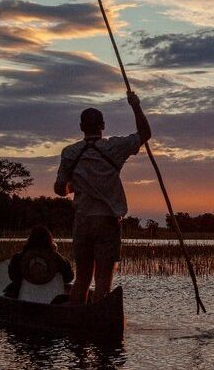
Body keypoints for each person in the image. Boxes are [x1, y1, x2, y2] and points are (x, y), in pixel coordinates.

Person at [54, 92, 151, 305]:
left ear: (81, 127)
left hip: (83, 222)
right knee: (103, 280)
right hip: (107, 221)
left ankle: (76, 324)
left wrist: (76, 185)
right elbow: (145, 133)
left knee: (82, 278)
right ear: (103, 125)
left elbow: (59, 189)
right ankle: (98, 324)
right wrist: (135, 106)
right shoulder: (114, 147)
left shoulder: (69, 153)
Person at [5, 225, 74, 299]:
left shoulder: (18, 257)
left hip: (24, 299)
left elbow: (12, 276)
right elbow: (69, 277)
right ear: (49, 240)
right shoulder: (58, 259)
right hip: (53, 298)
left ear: (30, 239)